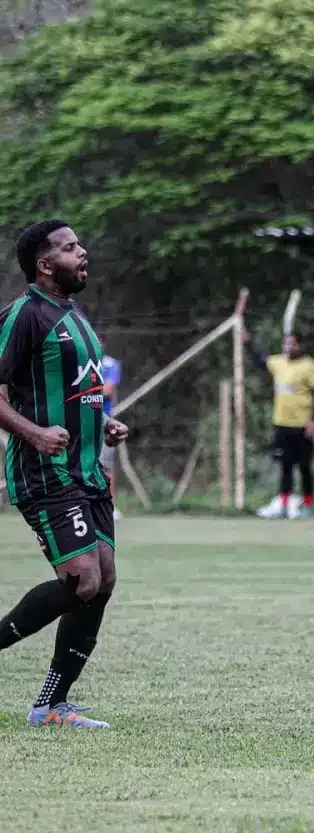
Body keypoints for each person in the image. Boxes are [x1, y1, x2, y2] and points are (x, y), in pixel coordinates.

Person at [0, 219, 128, 729]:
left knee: (104, 581)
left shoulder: (75, 316)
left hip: (86, 471)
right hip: (44, 471)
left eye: (79, 245)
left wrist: (104, 420)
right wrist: (32, 433)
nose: (82, 252)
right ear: (44, 263)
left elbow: (77, 392)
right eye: (69, 247)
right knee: (81, 581)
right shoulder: (23, 315)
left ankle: (51, 705)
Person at [245, 329, 314, 520]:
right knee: (285, 466)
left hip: (302, 425)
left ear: (299, 345)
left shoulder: (309, 366)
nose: (288, 347)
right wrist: (247, 343)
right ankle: (283, 504)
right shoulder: (278, 362)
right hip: (282, 424)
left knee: (305, 466)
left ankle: (307, 505)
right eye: (286, 344)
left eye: (292, 344)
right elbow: (259, 361)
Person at [99, 354, 122, 519]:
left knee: (106, 467)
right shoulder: (78, 358)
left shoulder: (110, 364)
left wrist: (84, 389)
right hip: (77, 419)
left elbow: (107, 390)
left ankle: (110, 506)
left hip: (103, 421)